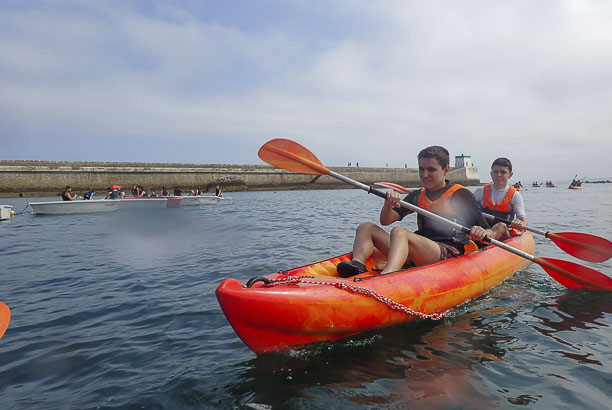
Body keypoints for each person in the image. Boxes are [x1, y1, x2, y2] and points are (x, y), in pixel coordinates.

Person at [336, 146, 494, 278]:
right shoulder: (418, 194)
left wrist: (480, 232)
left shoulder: (461, 195)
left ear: (446, 169)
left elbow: (488, 231)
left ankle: (388, 275)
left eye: (431, 170)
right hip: (419, 251)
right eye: (421, 169)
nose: (425, 175)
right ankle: (357, 263)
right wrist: (388, 204)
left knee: (400, 232)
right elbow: (386, 221)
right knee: (366, 227)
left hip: (447, 251)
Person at [473, 158, 527, 241]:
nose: (498, 175)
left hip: (502, 235)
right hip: (481, 230)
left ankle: (486, 236)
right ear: (491, 174)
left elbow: (524, 222)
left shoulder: (515, 196)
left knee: (501, 226)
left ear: (510, 175)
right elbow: (467, 212)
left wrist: (519, 223)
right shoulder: (480, 192)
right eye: (495, 172)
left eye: (503, 172)